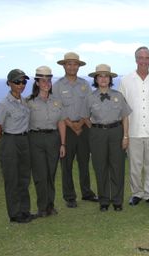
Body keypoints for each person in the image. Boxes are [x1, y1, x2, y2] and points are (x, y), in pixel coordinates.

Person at [118, 46, 149, 208]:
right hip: (133, 130)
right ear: (136, 59)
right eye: (141, 57)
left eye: (146, 58)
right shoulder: (126, 81)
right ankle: (137, 193)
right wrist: (124, 133)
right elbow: (122, 108)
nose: (143, 61)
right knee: (135, 165)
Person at [52, 52, 98, 208]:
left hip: (83, 128)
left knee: (84, 163)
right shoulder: (57, 86)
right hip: (66, 130)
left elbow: (90, 106)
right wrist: (72, 125)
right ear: (64, 66)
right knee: (67, 165)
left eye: (75, 64)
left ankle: (86, 193)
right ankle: (69, 196)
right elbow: (57, 109)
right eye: (69, 64)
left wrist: (81, 123)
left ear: (79, 66)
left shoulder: (84, 85)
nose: (72, 66)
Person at [85, 64, 132, 212]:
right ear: (96, 79)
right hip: (98, 134)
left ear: (110, 78)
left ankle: (117, 200)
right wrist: (95, 130)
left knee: (117, 167)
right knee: (100, 167)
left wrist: (125, 136)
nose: (103, 78)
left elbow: (125, 117)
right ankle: (104, 200)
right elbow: (86, 118)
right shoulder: (90, 97)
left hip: (116, 132)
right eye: (100, 76)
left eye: (106, 76)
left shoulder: (118, 96)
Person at [0, 69, 34, 223]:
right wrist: (6, 140)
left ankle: (25, 210)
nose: (21, 85)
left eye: (23, 82)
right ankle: (15, 214)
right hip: (10, 141)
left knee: (24, 178)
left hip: (24, 140)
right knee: (12, 179)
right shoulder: (3, 104)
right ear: (9, 83)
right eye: (17, 82)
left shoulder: (24, 101)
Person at [26, 66, 66, 217]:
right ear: (37, 82)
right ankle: (42, 207)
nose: (46, 83)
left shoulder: (56, 101)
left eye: (48, 80)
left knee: (51, 173)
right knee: (40, 175)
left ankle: (50, 206)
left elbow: (61, 123)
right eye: (42, 80)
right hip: (35, 139)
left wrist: (63, 144)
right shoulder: (28, 102)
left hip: (53, 139)